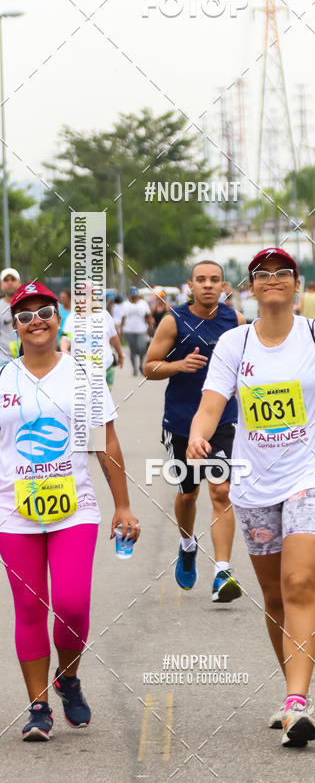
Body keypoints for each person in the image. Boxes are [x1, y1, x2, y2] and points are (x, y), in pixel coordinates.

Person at [187, 247, 315, 747]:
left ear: (296, 285)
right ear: (251, 287)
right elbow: (211, 404)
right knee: (275, 595)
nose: (273, 280)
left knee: (299, 582)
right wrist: (198, 435)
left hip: (313, 475)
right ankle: (290, 692)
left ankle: (299, 702)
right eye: (263, 275)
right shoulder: (234, 345)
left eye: (283, 273)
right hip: (254, 484)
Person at [0, 281, 140, 741]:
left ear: (58, 318)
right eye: (25, 315)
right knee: (29, 607)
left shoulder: (82, 376)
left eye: (44, 312)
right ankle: (39, 707)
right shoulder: (4, 379)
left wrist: (122, 504)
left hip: (73, 510)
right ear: (14, 324)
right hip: (13, 513)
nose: (35, 321)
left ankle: (69, 677)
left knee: (73, 605)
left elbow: (107, 442)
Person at [143, 261, 246, 600]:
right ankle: (187, 544)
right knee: (189, 494)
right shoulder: (174, 320)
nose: (207, 285)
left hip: (222, 420)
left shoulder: (236, 321)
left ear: (223, 285)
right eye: (201, 280)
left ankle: (222, 573)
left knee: (221, 491)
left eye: (214, 280)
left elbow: (249, 364)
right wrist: (179, 365)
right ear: (190, 284)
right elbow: (149, 366)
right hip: (182, 421)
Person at [60, 297, 124, 391]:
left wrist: (120, 355)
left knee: (103, 402)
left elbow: (113, 337)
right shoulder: (72, 318)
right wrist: (64, 349)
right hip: (81, 371)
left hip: (105, 368)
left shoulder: (104, 315)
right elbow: (66, 338)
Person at [119, 286, 152, 376]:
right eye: (132, 295)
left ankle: (141, 365)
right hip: (129, 331)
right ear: (130, 295)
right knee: (133, 350)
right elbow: (123, 318)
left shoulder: (143, 304)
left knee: (142, 349)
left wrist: (150, 327)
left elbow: (148, 316)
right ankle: (134, 368)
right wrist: (120, 331)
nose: (134, 297)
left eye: (135, 295)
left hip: (141, 330)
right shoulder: (125, 304)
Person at [1, 268, 21, 365]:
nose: (9, 283)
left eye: (13, 279)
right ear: (1, 284)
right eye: (6, 280)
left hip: (26, 360)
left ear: (19, 282)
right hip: (2, 362)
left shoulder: (28, 305)